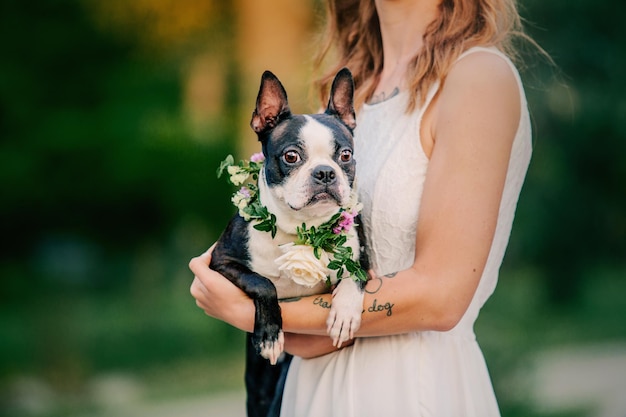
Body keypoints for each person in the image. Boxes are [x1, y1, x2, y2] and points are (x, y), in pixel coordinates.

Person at [190, 0, 539, 415]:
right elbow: (313, 313)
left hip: (412, 386)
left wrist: (254, 311)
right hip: (313, 388)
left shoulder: (478, 77)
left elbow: (441, 298)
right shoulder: (346, 93)